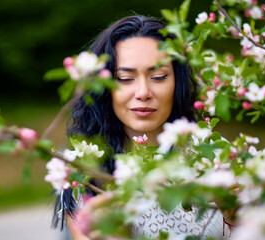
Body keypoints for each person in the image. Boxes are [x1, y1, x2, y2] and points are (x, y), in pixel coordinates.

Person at [52, 15, 229, 239]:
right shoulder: (85, 173)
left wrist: (234, 218)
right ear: (103, 86)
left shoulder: (212, 156)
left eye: (158, 76)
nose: (143, 92)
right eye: (125, 78)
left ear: (178, 82)